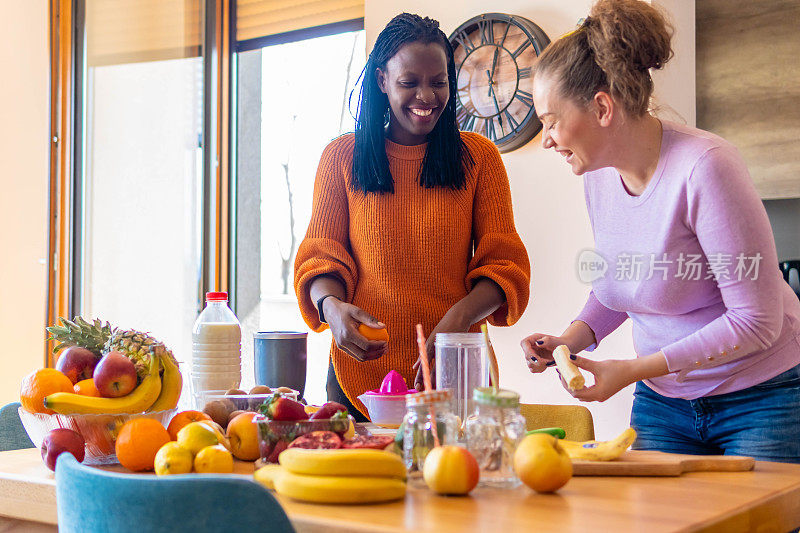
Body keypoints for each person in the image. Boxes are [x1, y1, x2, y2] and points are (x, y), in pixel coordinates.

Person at [523, 0, 800, 462]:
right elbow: (621, 285)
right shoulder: (598, 174)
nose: (546, 137)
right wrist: (568, 342)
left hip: (761, 398)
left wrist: (632, 369)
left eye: (550, 121)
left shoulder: (705, 168)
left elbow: (758, 321)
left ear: (602, 108)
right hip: (662, 404)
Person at [294, 13, 530, 421]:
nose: (427, 96)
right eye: (409, 83)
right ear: (382, 80)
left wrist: (456, 322)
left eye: (438, 82)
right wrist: (330, 307)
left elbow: (504, 266)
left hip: (455, 376)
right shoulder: (341, 158)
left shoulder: (479, 159)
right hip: (358, 379)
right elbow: (322, 256)